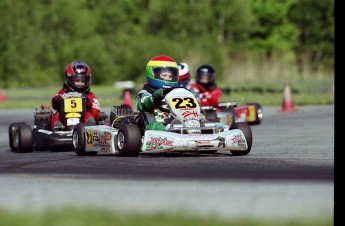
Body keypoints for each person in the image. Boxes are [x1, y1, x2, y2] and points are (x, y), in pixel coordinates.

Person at [50, 61, 101, 130]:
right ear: (69, 78)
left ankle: (90, 128)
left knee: (89, 115)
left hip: (83, 121)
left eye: (83, 81)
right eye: (77, 80)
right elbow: (55, 105)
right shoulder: (63, 92)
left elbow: (96, 112)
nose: (80, 83)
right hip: (64, 119)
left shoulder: (90, 95)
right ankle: (57, 129)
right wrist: (57, 99)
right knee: (56, 116)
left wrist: (88, 102)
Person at [136, 55, 179, 131]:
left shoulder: (175, 93)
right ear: (152, 74)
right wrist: (156, 96)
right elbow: (145, 103)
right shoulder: (144, 93)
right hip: (152, 127)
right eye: (164, 75)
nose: (167, 78)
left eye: (170, 76)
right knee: (157, 125)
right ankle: (170, 130)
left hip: (173, 122)